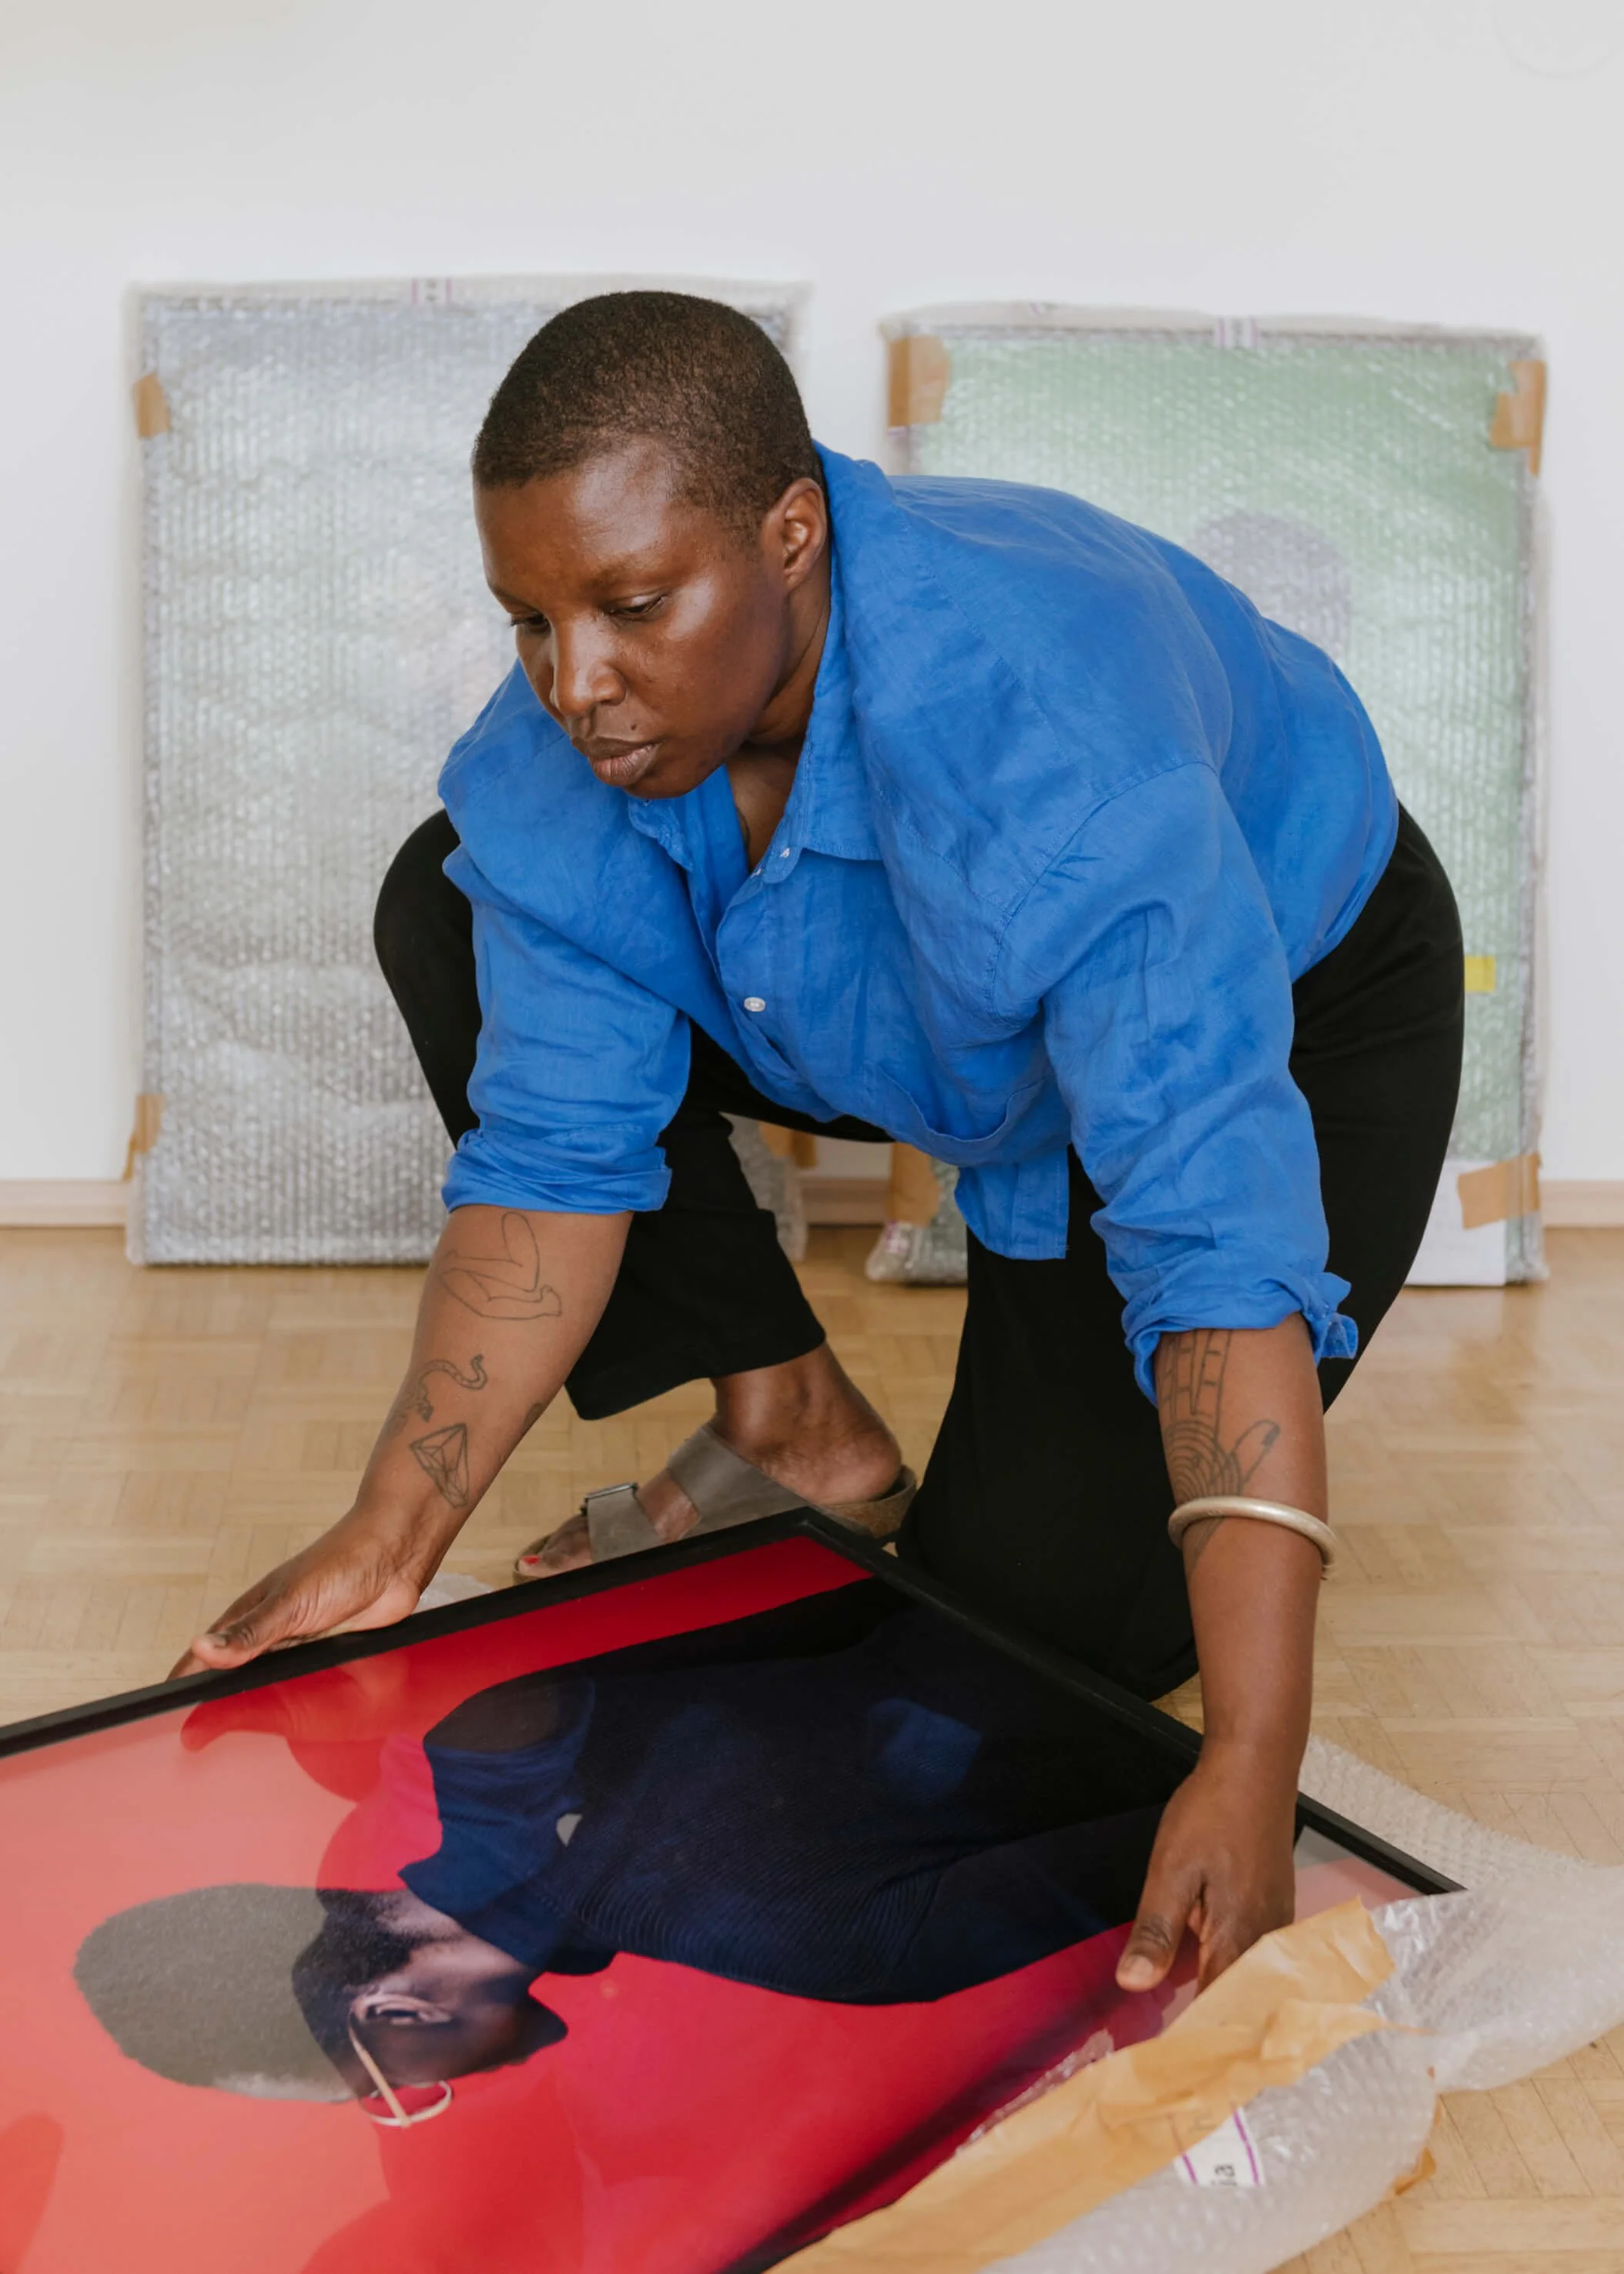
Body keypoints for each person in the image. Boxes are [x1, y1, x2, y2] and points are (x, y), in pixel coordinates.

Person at [174, 290, 1464, 1998]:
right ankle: (792, 1421)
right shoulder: (579, 740)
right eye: (529, 621)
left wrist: (1247, 1759)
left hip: (1290, 991)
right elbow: (554, 1166)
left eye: (633, 607)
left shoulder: (1048, 760)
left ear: (791, 534)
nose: (576, 682)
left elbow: (1210, 1255)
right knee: (453, 894)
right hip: (905, 996)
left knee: (1019, 1664)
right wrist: (393, 1526)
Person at [92, 1589, 1172, 2110]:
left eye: (393, 2095)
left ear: (395, 2014)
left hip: (1152, 1634)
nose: (429, 2099)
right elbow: (840, 1590)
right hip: (1017, 1515)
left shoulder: (827, 1948)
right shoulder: (495, 1730)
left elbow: (1202, 1831)